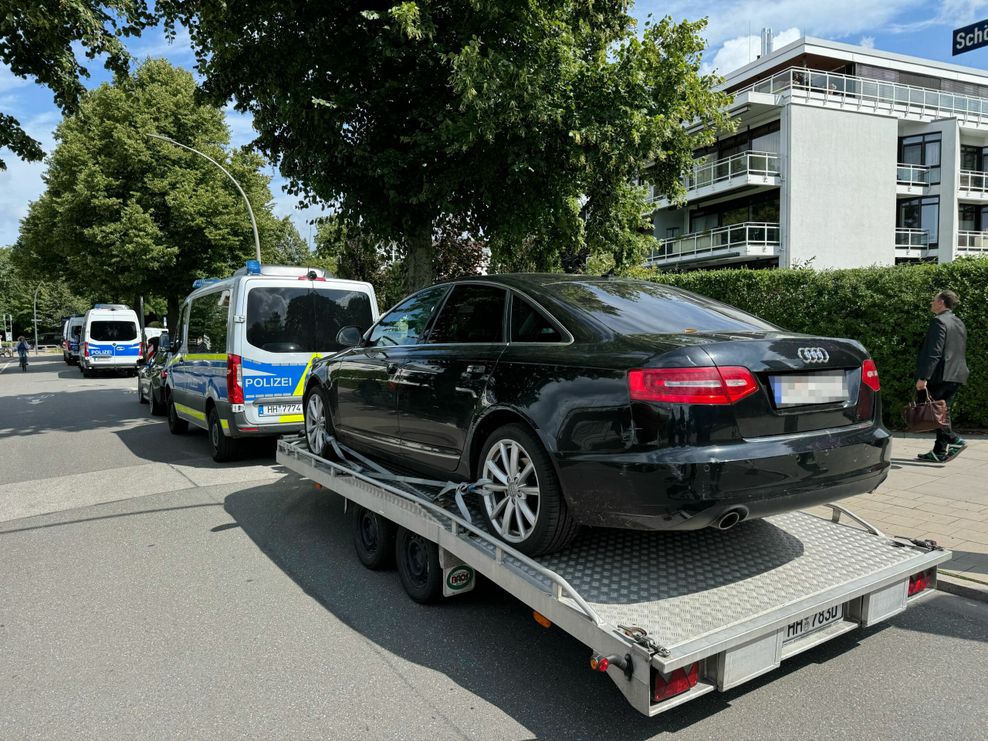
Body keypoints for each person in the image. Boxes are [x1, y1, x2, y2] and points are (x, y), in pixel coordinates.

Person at [915, 290, 969, 462]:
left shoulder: (939, 321)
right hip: (957, 375)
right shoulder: (958, 322)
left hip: (941, 376)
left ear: (941, 303)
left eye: (934, 300)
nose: (931, 302)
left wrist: (923, 377)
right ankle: (939, 452)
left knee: (936, 413)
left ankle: (955, 439)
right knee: (943, 413)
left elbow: (934, 352)